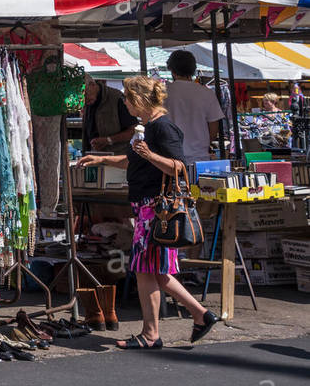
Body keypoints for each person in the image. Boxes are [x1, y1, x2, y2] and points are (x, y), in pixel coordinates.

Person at [77, 75, 218, 350]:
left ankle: (152, 334)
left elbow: (180, 168)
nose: (126, 104)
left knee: (146, 271)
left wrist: (150, 155)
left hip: (156, 210)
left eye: (128, 99)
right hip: (147, 208)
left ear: (139, 99)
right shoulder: (150, 128)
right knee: (156, 272)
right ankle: (200, 314)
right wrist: (102, 158)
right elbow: (133, 158)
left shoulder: (163, 128)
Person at [164, 50, 225, 167]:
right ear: (193, 69)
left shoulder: (163, 93)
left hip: (170, 158)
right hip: (200, 157)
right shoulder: (206, 93)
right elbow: (214, 125)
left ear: (171, 69)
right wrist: (205, 143)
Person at [82, 75, 136, 154]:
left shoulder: (116, 98)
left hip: (117, 157)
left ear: (92, 85)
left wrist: (108, 140)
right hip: (94, 155)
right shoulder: (88, 101)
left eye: (85, 93)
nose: (84, 99)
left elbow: (133, 130)